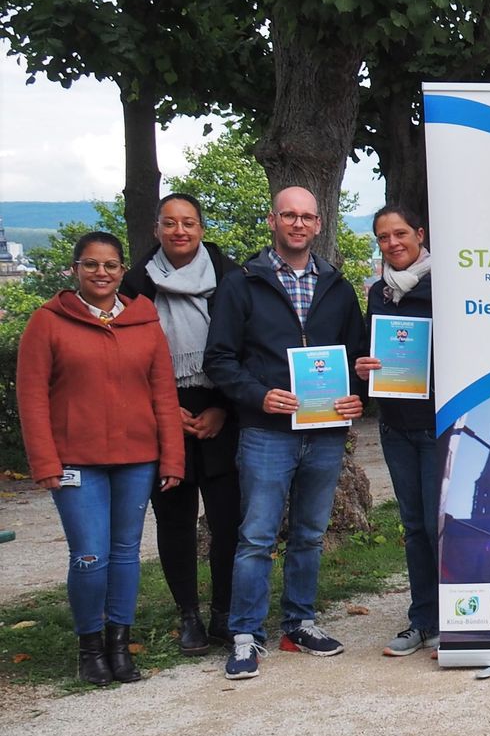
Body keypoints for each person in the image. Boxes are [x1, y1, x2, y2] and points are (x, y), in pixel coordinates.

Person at [205, 186, 368, 681]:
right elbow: (219, 359)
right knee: (256, 536)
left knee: (310, 535)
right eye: (289, 215)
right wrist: (258, 396)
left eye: (306, 217)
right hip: (266, 431)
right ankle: (245, 634)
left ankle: (299, 623)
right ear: (272, 220)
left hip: (324, 431)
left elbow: (358, 358)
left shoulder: (338, 287)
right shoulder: (241, 283)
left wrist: (359, 395)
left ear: (318, 224)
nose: (298, 224)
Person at [17, 232, 184, 685]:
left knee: (126, 553)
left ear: (122, 270)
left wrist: (172, 457)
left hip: (137, 457)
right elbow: (31, 398)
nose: (101, 273)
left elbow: (163, 395)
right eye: (90, 264)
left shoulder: (144, 322)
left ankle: (119, 645)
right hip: (76, 460)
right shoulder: (48, 322)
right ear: (75, 269)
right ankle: (89, 647)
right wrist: (44, 461)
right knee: (90, 554)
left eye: (110, 265)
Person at [119, 193, 240, 654]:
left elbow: (247, 345)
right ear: (157, 230)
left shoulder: (230, 277)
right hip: (160, 412)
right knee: (175, 520)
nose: (179, 231)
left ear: (202, 229)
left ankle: (224, 613)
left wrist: (222, 408)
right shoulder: (135, 285)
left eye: (188, 222)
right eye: (169, 223)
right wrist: (165, 409)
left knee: (229, 520)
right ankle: (188, 615)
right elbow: (126, 358)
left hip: (223, 410)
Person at [351, 204, 444, 657]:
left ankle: (458, 621)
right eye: (383, 237)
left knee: (438, 524)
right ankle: (423, 620)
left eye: (400, 234)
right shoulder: (378, 293)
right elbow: (372, 351)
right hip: (395, 426)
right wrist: (365, 368)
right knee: (413, 527)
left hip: (437, 424)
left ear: (420, 234)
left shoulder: (446, 286)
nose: (392, 243)